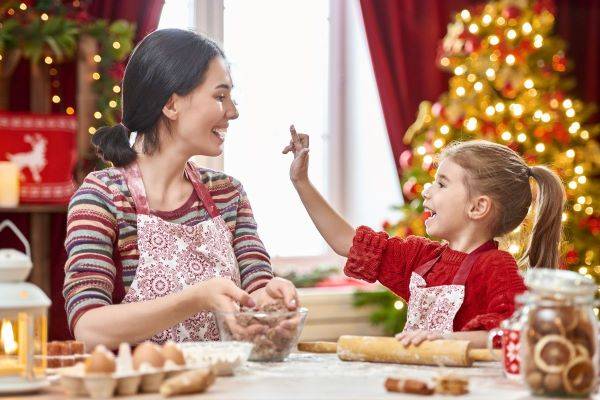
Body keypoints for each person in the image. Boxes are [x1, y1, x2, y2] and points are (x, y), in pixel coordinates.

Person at [63, 29, 298, 350]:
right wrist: (194, 300)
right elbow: (89, 327)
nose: (233, 111)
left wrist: (270, 298)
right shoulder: (103, 196)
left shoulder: (228, 194)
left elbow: (255, 288)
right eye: (219, 96)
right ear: (171, 105)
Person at [283, 128, 565, 348]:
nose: (427, 192)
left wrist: (449, 342)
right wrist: (302, 182)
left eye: (441, 184)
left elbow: (515, 330)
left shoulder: (496, 267)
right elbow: (346, 241)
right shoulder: (421, 258)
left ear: (478, 207)